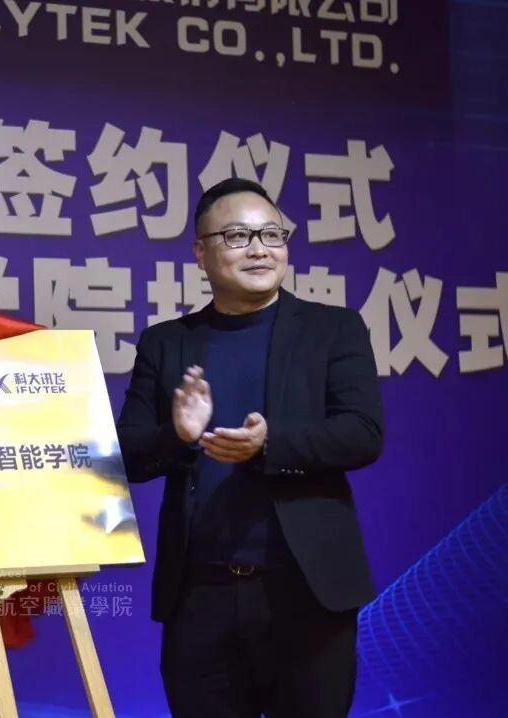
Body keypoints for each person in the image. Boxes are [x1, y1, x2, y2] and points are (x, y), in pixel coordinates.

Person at [117, 177, 384, 717]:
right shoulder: (167, 342)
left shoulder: (333, 330)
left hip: (307, 595)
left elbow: (362, 432)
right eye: (238, 236)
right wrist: (179, 435)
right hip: (200, 599)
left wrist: (270, 444)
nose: (260, 249)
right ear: (201, 252)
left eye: (272, 235)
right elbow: (127, 456)